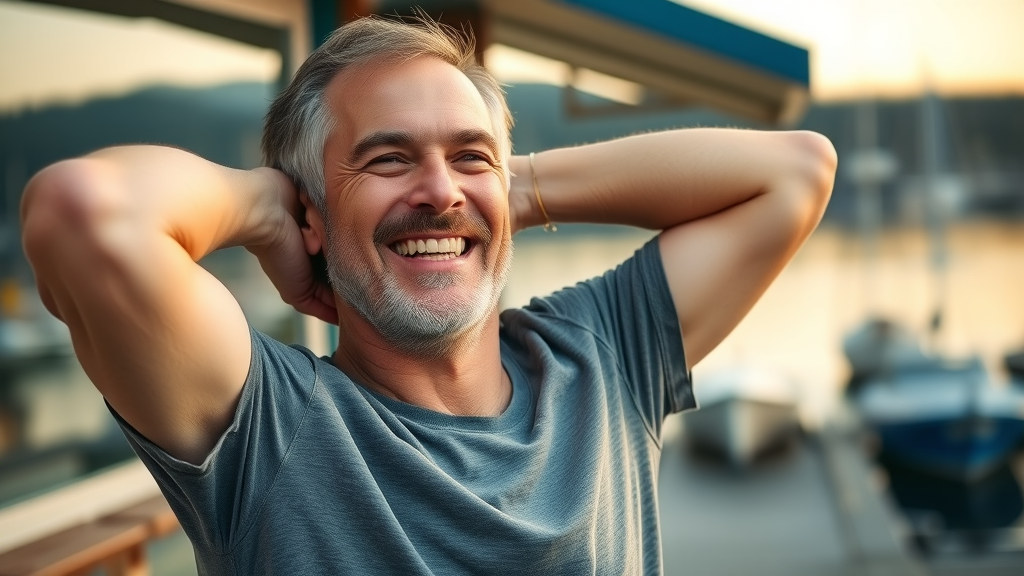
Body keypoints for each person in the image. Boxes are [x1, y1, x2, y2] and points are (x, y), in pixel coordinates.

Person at [21, 16, 835, 576]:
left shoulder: (599, 354)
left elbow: (796, 172)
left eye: (469, 155)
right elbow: (83, 213)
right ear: (312, 213)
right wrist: (273, 210)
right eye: (388, 159)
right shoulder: (272, 425)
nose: (440, 190)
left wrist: (512, 187)